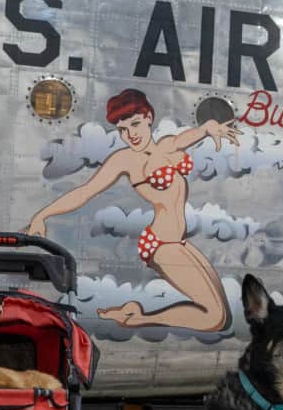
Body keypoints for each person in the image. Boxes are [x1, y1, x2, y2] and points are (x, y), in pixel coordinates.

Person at [25, 88, 241, 332]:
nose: (130, 135)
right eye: (123, 130)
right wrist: (41, 215)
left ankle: (133, 312)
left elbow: (195, 133)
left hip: (177, 242)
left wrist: (209, 128)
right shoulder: (124, 160)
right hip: (160, 244)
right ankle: (139, 319)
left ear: (149, 118)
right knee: (213, 318)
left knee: (223, 312)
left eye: (135, 124)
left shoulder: (168, 145)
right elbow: (85, 191)